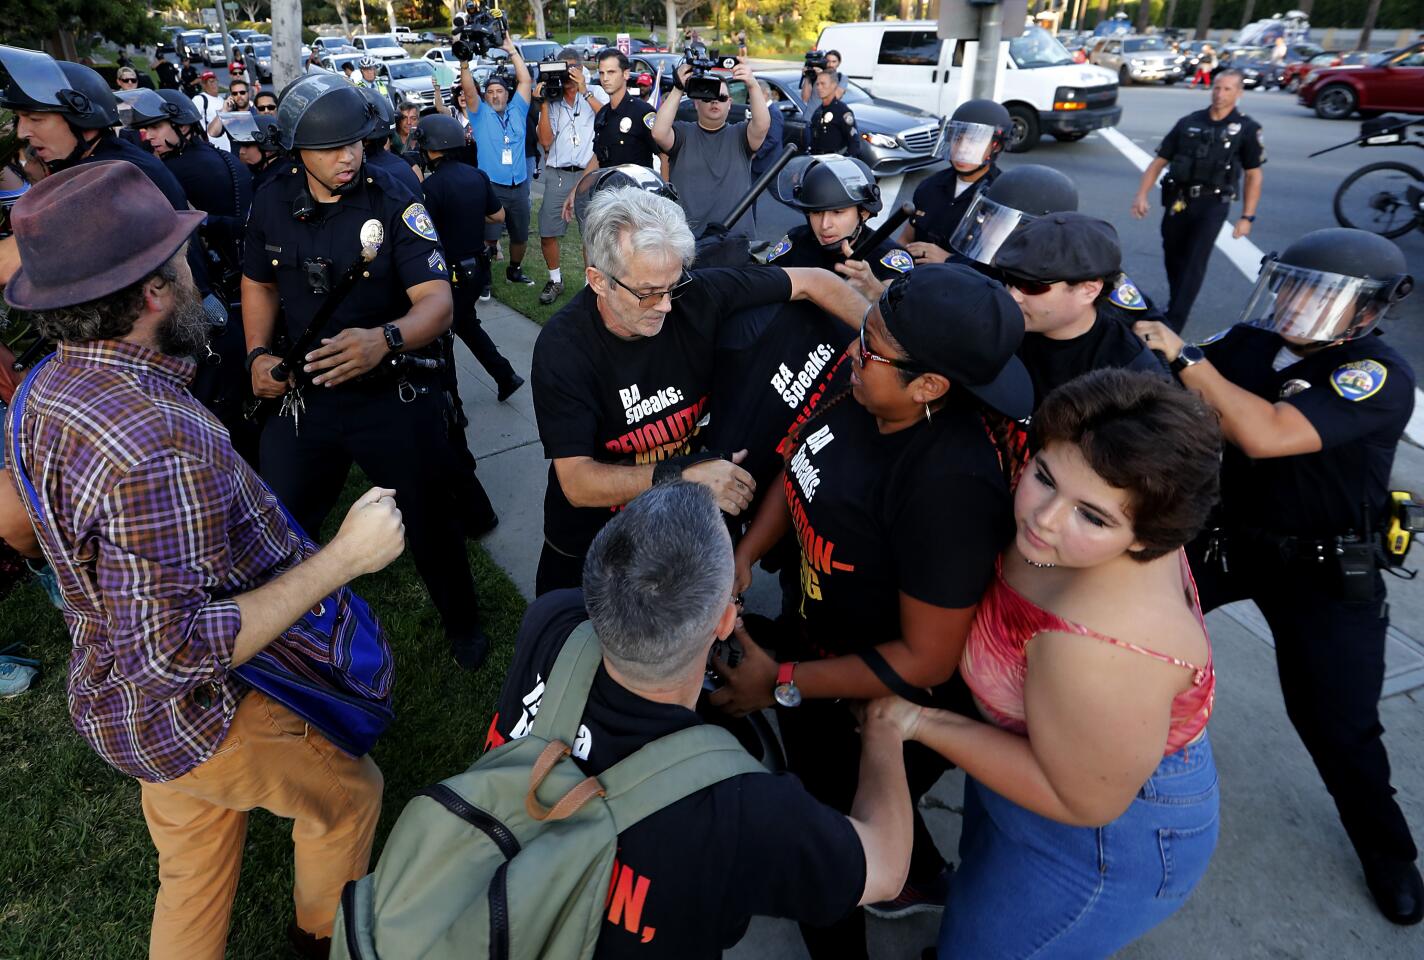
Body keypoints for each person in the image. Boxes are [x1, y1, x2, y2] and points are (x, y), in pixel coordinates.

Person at [3, 159, 397, 960]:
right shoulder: (153, 444)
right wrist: (345, 558)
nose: (193, 269)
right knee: (352, 800)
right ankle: (319, 944)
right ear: (153, 293)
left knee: (192, 865)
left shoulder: (47, 386)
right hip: (204, 715)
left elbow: (23, 525)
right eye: (180, 258)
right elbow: (172, 652)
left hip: (124, 709)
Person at [713, 264, 1030, 954]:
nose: (854, 351)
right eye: (863, 332)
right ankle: (917, 871)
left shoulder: (949, 487)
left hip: (872, 697)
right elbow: (802, 466)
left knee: (829, 853)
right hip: (813, 643)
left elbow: (927, 657)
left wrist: (782, 682)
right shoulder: (862, 392)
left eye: (873, 348)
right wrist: (745, 556)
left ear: (931, 386)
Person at [865, 368, 1221, 956]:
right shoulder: (1125, 489)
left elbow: (1087, 801)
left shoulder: (1102, 644)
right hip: (1034, 758)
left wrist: (914, 723)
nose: (1045, 518)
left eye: (1094, 517)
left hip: (1099, 832)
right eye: (1044, 477)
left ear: (1147, 536)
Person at [485, 480, 915, 958]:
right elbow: (887, 866)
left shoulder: (552, 621)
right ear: (727, 621)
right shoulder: (740, 811)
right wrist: (884, 727)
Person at [1133, 228, 1423, 926]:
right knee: (1134, 630)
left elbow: (1266, 431)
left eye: (1322, 295)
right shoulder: (1250, 341)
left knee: (1336, 722)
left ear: (1367, 312)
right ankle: (1114, 753)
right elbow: (1178, 398)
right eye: (1292, 285)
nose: (1298, 304)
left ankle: (1389, 855)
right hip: (1231, 537)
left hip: (1324, 566)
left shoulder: (1374, 373)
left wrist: (1189, 358)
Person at [241, 72, 491, 670]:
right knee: (280, 519)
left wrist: (386, 339)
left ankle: (463, 622)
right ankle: (274, 629)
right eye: (331, 147)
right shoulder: (272, 198)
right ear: (296, 150)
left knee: (429, 520)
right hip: (307, 397)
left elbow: (438, 302)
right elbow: (258, 279)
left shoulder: (394, 199)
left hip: (391, 398)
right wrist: (256, 354)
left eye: (355, 142)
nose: (348, 156)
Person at [529, 185, 870, 596]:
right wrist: (682, 476)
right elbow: (578, 482)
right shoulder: (564, 348)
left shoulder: (698, 294)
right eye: (647, 293)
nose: (666, 305)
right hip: (592, 539)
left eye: (672, 285)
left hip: (675, 531)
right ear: (598, 281)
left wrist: (880, 339)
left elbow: (813, 281)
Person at [0, 46, 214, 304]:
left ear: (83, 121)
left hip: (171, 326)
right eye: (20, 118)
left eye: (35, 118)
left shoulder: (104, 179)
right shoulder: (111, 158)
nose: (22, 132)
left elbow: (12, 261)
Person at [1132, 69, 1264, 333]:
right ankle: (1176, 304)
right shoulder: (1189, 122)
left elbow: (1253, 175)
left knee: (1194, 260)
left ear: (1239, 93)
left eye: (1227, 89)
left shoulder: (1247, 129)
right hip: (1179, 199)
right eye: (1217, 87)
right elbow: (1159, 162)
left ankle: (1174, 322)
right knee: (1173, 254)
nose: (1220, 94)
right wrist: (1141, 194)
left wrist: (1247, 217)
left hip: (1213, 204)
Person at [992, 212, 1167, 402]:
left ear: (1088, 290)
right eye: (1009, 279)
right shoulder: (997, 323)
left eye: (1032, 286)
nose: (1013, 295)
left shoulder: (1131, 373)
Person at [416, 112, 524, 403]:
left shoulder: (431, 187)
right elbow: (498, 214)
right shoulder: (477, 175)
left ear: (430, 148)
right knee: (465, 324)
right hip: (477, 268)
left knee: (442, 335)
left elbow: (425, 233)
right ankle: (505, 376)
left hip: (450, 273)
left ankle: (454, 404)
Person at [651, 57, 769, 242]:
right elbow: (659, 133)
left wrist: (752, 85)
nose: (715, 102)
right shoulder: (683, 132)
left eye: (721, 98)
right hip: (689, 241)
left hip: (735, 241)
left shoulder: (740, 135)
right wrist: (678, 88)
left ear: (729, 104)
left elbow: (762, 125)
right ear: (696, 102)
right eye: (709, 97)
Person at [459, 36, 537, 287]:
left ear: (507, 94)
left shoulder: (518, 109)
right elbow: (470, 91)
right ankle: (485, 278)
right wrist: (464, 65)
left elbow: (525, 80)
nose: (494, 96)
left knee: (520, 235)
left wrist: (512, 50)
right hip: (492, 186)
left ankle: (514, 270)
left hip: (520, 185)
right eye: (490, 92)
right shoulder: (480, 115)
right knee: (489, 239)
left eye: (499, 91)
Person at [898, 99, 1008, 265]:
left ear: (996, 145)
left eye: (974, 140)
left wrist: (949, 260)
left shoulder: (1002, 194)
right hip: (915, 283)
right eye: (958, 138)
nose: (963, 148)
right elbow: (905, 240)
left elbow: (1001, 266)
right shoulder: (930, 186)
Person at [535, 47, 601, 306]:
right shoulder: (552, 97)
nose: (567, 75)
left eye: (572, 68)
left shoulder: (595, 92)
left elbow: (609, 117)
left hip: (590, 172)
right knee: (547, 230)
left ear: (582, 68)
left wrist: (584, 89)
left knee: (591, 233)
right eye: (564, 69)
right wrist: (542, 104)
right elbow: (546, 141)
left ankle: (590, 286)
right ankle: (555, 279)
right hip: (558, 172)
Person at [356, 85, 423, 197]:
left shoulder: (364, 173)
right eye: (404, 118)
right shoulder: (405, 166)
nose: (409, 122)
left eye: (413, 118)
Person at [803, 68, 859, 158]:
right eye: (817, 84)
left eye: (823, 84)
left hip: (835, 162)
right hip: (818, 162)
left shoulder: (842, 111)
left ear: (834, 85)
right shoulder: (818, 111)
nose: (819, 87)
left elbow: (854, 143)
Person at [226, 110, 283, 190]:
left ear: (268, 150)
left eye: (247, 145)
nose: (241, 151)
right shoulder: (259, 175)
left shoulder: (275, 183)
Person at [750, 78, 785, 180]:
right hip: (760, 163)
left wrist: (756, 153)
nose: (751, 98)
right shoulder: (760, 110)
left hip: (769, 163)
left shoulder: (774, 113)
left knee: (775, 192)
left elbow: (773, 138)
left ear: (765, 94)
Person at [191, 71, 231, 151]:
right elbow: (193, 123)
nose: (214, 84)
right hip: (210, 147)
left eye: (215, 81)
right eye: (210, 82)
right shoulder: (199, 99)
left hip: (226, 146)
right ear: (204, 85)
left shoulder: (222, 100)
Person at [205, 76, 250, 145]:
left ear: (248, 94)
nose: (239, 96)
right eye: (235, 93)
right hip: (235, 155)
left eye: (242, 92)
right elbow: (212, 133)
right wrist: (224, 110)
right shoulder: (229, 116)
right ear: (231, 96)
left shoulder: (257, 111)